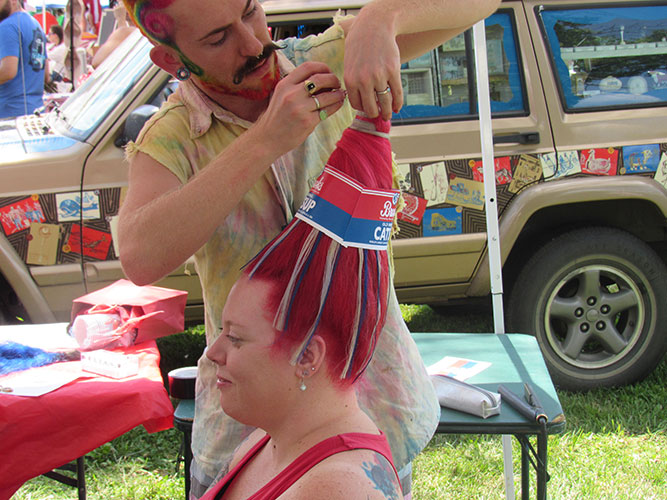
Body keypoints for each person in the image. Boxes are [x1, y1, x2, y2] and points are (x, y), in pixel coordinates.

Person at [117, 0, 501, 498]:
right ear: (171, 61)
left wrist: (381, 18)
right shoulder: (173, 137)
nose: (254, 43)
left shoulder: (325, 61)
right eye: (218, 38)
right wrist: (263, 140)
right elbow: (140, 257)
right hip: (250, 431)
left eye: (251, 11)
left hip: (369, 410)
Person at [0, 0, 48, 118]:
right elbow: (46, 75)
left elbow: (8, 71)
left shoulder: (7, 26)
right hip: (35, 111)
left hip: (10, 113)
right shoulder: (36, 25)